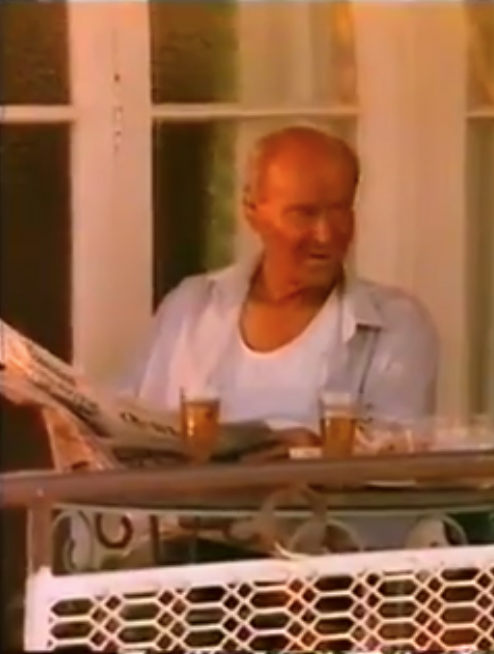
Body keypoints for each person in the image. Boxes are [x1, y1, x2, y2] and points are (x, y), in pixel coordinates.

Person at [6, 125, 441, 568]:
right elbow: (123, 427)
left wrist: (308, 455)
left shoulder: (396, 324)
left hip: (316, 578)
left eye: (340, 210)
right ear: (253, 211)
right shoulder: (192, 306)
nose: (327, 235)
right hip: (175, 565)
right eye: (304, 214)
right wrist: (67, 419)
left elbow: (396, 471)